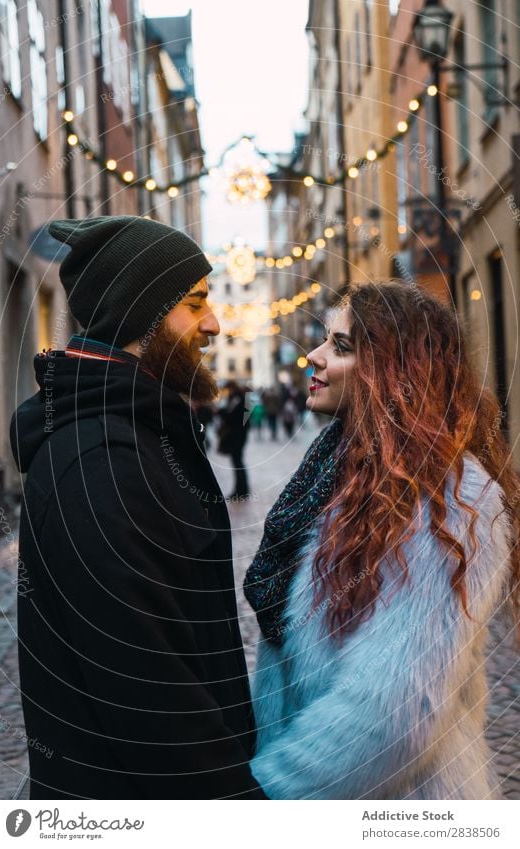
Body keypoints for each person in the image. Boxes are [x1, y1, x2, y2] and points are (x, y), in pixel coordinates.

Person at [11, 215, 266, 800]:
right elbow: (150, 692)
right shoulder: (103, 459)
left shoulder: (139, 431)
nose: (215, 324)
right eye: (196, 303)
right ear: (140, 313)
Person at [244, 280, 520, 800]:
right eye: (325, 341)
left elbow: (391, 712)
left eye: (341, 347)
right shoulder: (338, 468)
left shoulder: (450, 496)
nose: (315, 357)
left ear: (395, 370)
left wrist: (265, 795)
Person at [218, 381, 251, 500]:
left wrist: (221, 413)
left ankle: (241, 491)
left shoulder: (237, 399)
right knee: (237, 462)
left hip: (237, 436)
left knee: (237, 463)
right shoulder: (239, 398)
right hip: (239, 435)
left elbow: (233, 416)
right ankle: (240, 490)